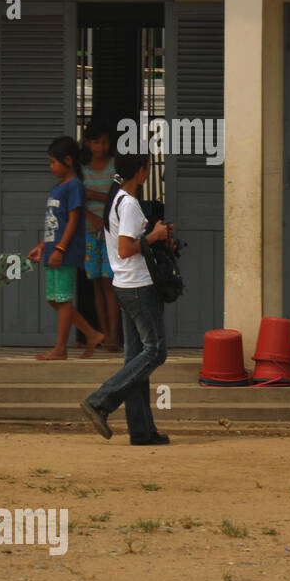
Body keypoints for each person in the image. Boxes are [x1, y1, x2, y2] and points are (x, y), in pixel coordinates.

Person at [79, 151, 172, 445]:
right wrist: (155, 236)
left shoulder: (115, 199)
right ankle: (100, 401)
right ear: (142, 171)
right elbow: (126, 248)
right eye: (146, 168)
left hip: (124, 285)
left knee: (135, 359)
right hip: (138, 286)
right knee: (155, 351)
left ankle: (142, 431)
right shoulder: (129, 203)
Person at [27, 136, 102, 361]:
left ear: (68, 160)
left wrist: (60, 249)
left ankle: (61, 348)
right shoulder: (58, 187)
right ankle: (92, 334)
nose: (51, 167)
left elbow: (72, 220)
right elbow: (55, 223)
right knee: (55, 299)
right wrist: (42, 247)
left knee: (63, 299)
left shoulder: (74, 186)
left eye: (53, 162)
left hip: (65, 252)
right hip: (54, 250)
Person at [81, 116, 122, 352]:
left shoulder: (116, 168)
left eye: (105, 142)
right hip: (90, 234)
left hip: (112, 234)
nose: (101, 147)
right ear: (88, 143)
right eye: (96, 142)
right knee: (97, 285)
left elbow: (119, 197)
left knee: (110, 285)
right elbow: (78, 199)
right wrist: (91, 217)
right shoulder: (83, 170)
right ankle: (104, 333)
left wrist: (93, 195)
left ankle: (114, 335)